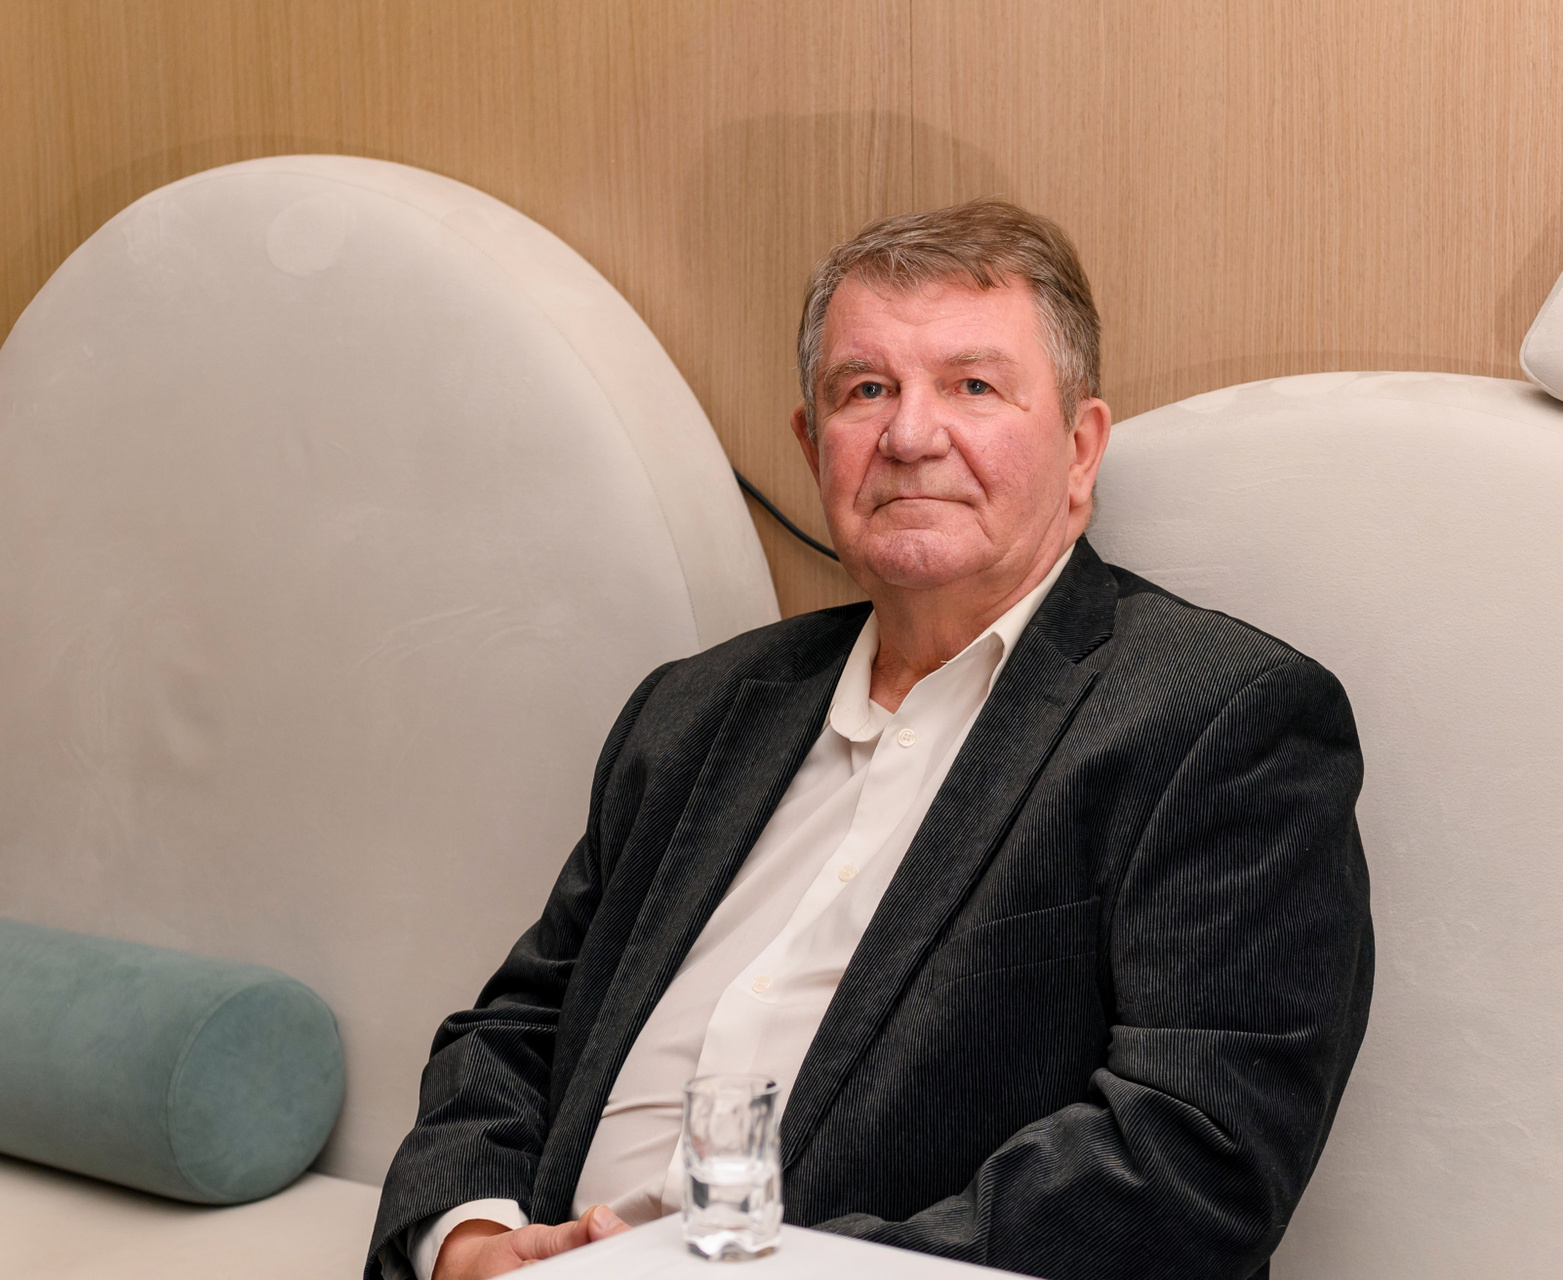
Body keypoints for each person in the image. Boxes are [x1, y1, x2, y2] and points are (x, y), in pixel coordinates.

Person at [367, 199, 1372, 1280]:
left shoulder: (1221, 721)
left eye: (973, 386)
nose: (909, 436)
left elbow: (1192, 1162)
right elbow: (522, 1023)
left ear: (1080, 449)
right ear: (814, 446)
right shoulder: (694, 709)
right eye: (866, 390)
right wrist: (464, 1240)